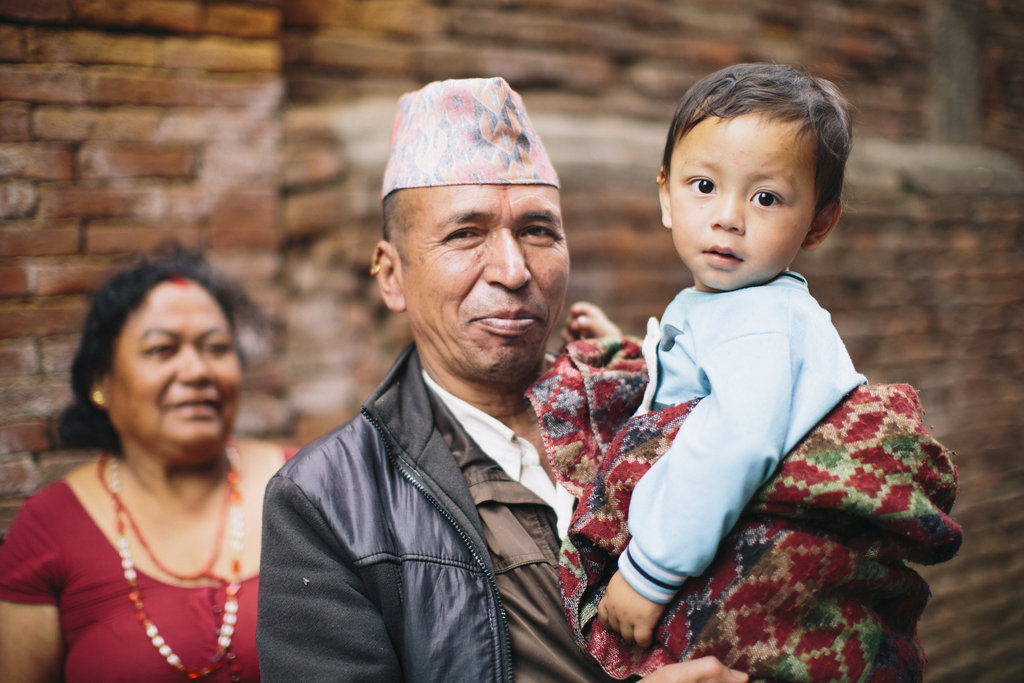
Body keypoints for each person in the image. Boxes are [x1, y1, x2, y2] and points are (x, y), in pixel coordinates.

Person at [256, 77, 746, 683]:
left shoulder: (650, 409)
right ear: (391, 275)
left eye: (538, 231)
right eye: (465, 235)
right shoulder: (327, 501)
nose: (514, 271)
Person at [577, 63, 868, 648]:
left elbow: (734, 439)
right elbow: (700, 386)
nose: (728, 217)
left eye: (766, 197)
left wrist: (650, 572)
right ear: (665, 194)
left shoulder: (761, 320)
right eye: (703, 186)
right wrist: (644, 354)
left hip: (728, 567)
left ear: (818, 224)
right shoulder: (731, 307)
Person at [0, 246, 295, 682]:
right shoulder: (49, 528)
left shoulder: (305, 486)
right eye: (162, 349)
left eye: (216, 347)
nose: (196, 370)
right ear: (101, 382)